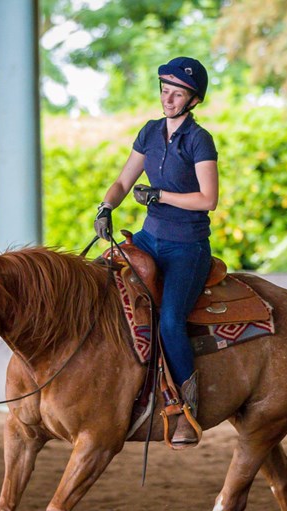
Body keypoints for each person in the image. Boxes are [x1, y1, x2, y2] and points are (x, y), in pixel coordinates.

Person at [93, 56, 219, 449]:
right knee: (97, 284)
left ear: (192, 100)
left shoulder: (200, 140)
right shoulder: (149, 133)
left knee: (170, 322)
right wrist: (106, 207)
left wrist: (161, 195)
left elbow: (208, 199)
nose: (168, 97)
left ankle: (185, 408)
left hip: (187, 246)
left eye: (177, 92)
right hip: (150, 238)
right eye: (165, 90)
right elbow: (123, 180)